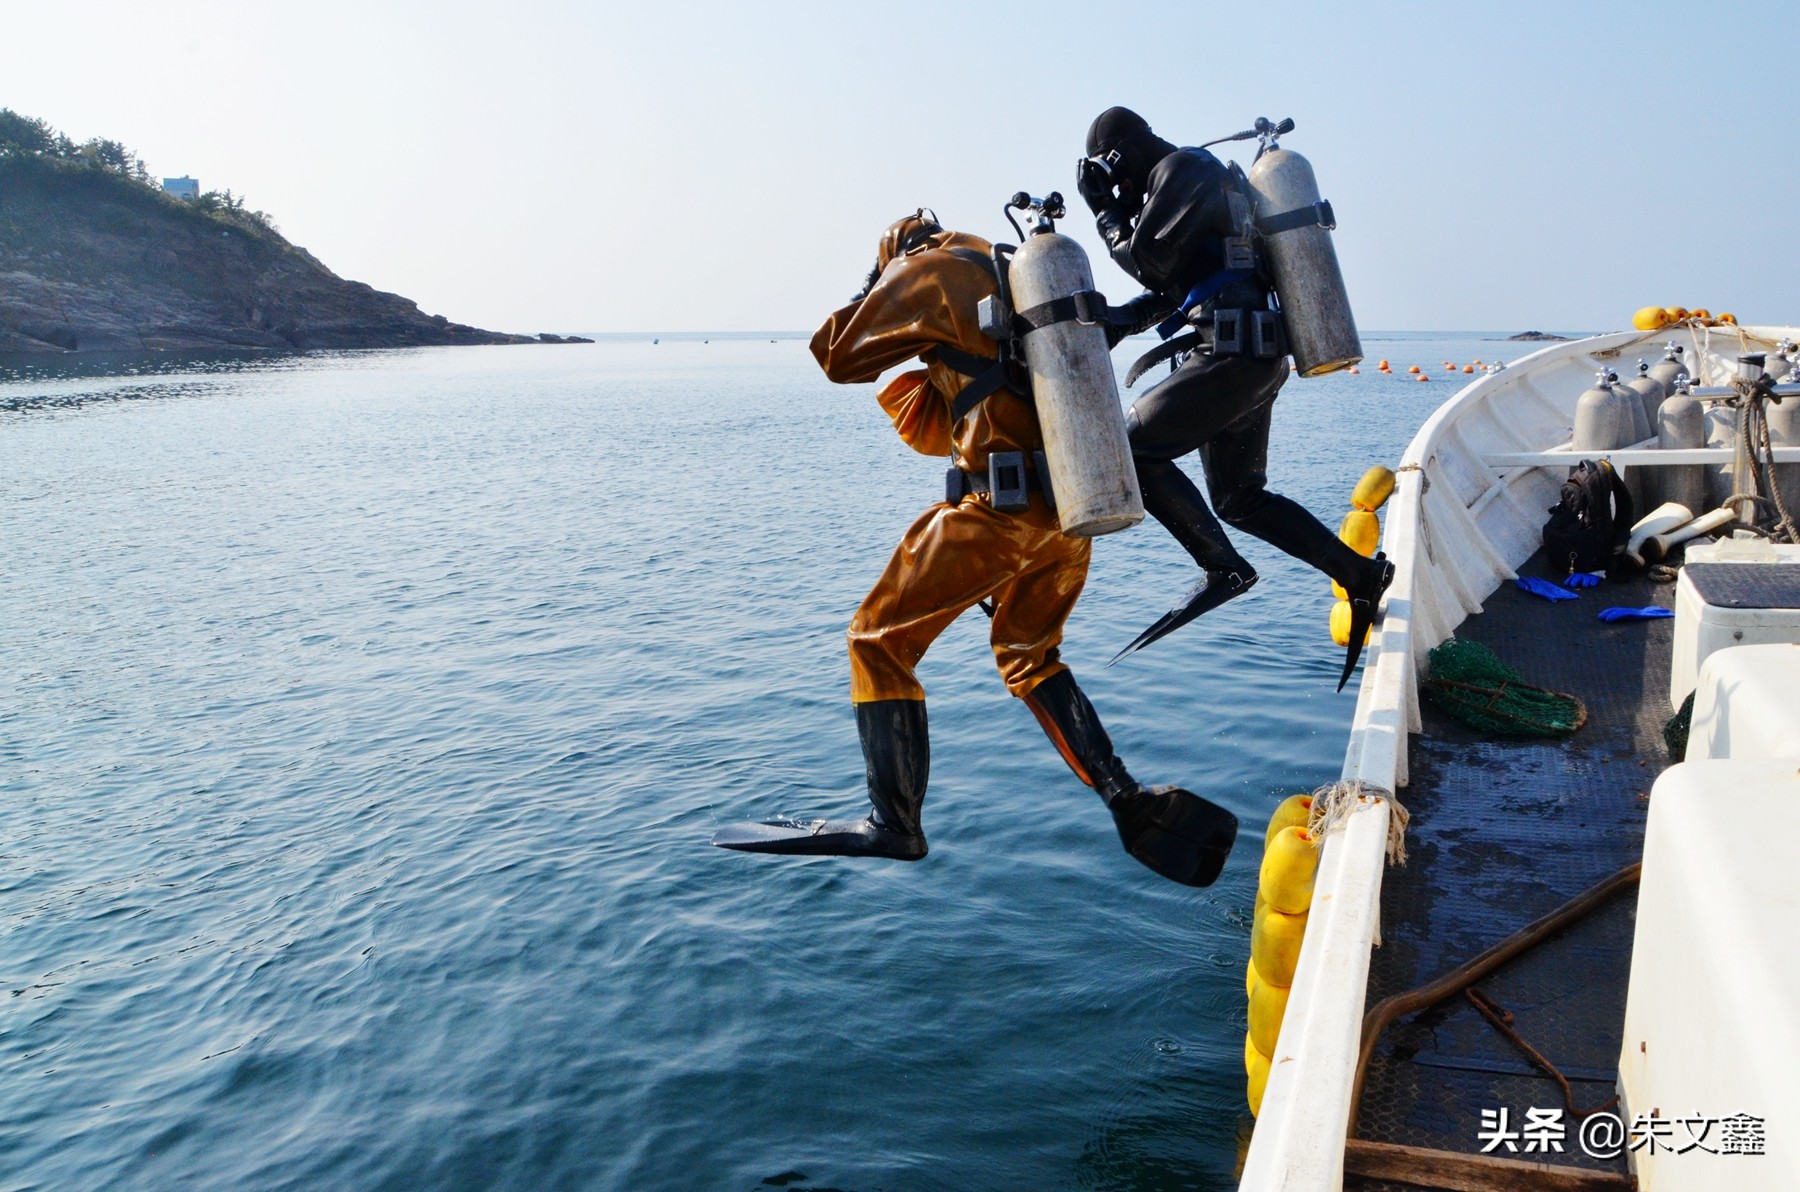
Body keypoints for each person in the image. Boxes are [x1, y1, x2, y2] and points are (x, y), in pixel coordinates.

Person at [711, 211, 1236, 887]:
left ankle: (894, 822)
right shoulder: (1013, 273)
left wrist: (874, 286)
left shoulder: (926, 270)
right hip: (1069, 513)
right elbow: (955, 412)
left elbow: (836, 355)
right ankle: (1124, 796)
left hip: (996, 514)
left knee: (876, 641)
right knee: (1028, 656)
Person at [1077, 107, 1393, 687]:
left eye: (1114, 176)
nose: (1118, 188)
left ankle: (1223, 569)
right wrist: (1117, 321)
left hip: (1230, 356)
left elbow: (1148, 261)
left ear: (1120, 156)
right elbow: (1180, 283)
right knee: (1240, 499)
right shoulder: (1197, 181)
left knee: (1131, 451)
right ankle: (1359, 575)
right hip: (1250, 358)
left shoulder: (1183, 168)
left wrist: (1104, 212)